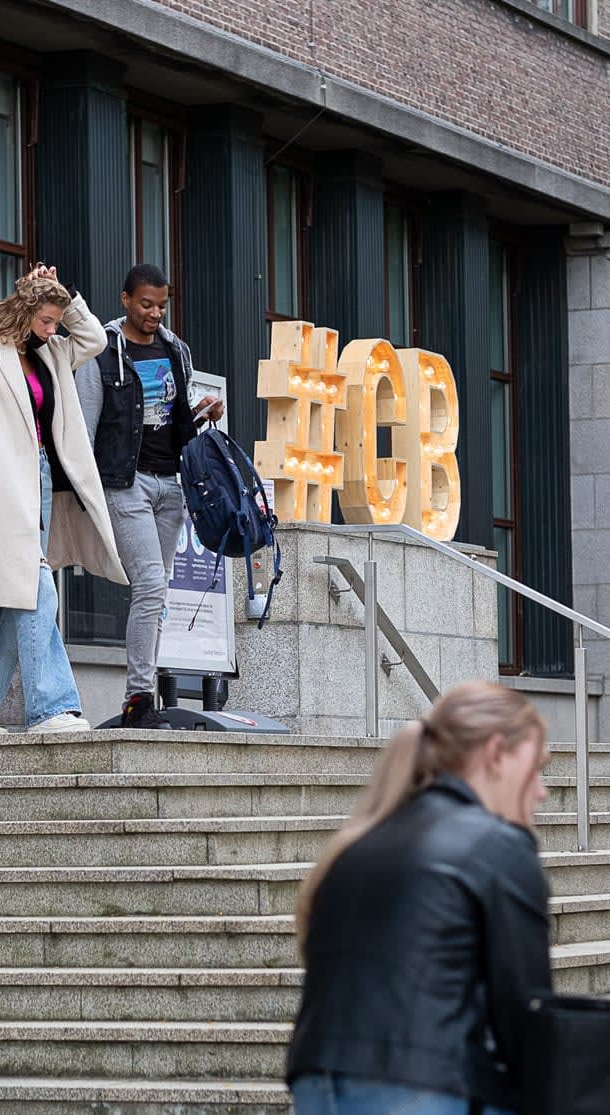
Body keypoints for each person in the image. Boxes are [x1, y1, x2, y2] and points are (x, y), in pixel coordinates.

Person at [286, 681, 552, 1115]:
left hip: (317, 1082)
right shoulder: (499, 845)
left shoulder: (358, 843)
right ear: (496, 753)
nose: (541, 790)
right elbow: (526, 1016)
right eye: (537, 766)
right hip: (427, 1086)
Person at [0, 265, 126, 734]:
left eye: (57, 321)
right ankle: (52, 708)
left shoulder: (53, 352)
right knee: (37, 587)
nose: (53, 330)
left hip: (39, 477)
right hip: (1, 482)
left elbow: (94, 339)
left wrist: (67, 295)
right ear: (25, 312)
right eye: (46, 320)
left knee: (10, 602)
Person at [76, 263, 223, 729]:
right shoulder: (103, 348)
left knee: (155, 593)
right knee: (151, 585)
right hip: (127, 483)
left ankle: (142, 695)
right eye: (145, 304)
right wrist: (87, 491)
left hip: (171, 485)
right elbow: (84, 424)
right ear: (125, 300)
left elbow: (178, 416)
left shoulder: (176, 349)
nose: (154, 313)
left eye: (161, 305)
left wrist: (205, 411)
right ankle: (139, 697)